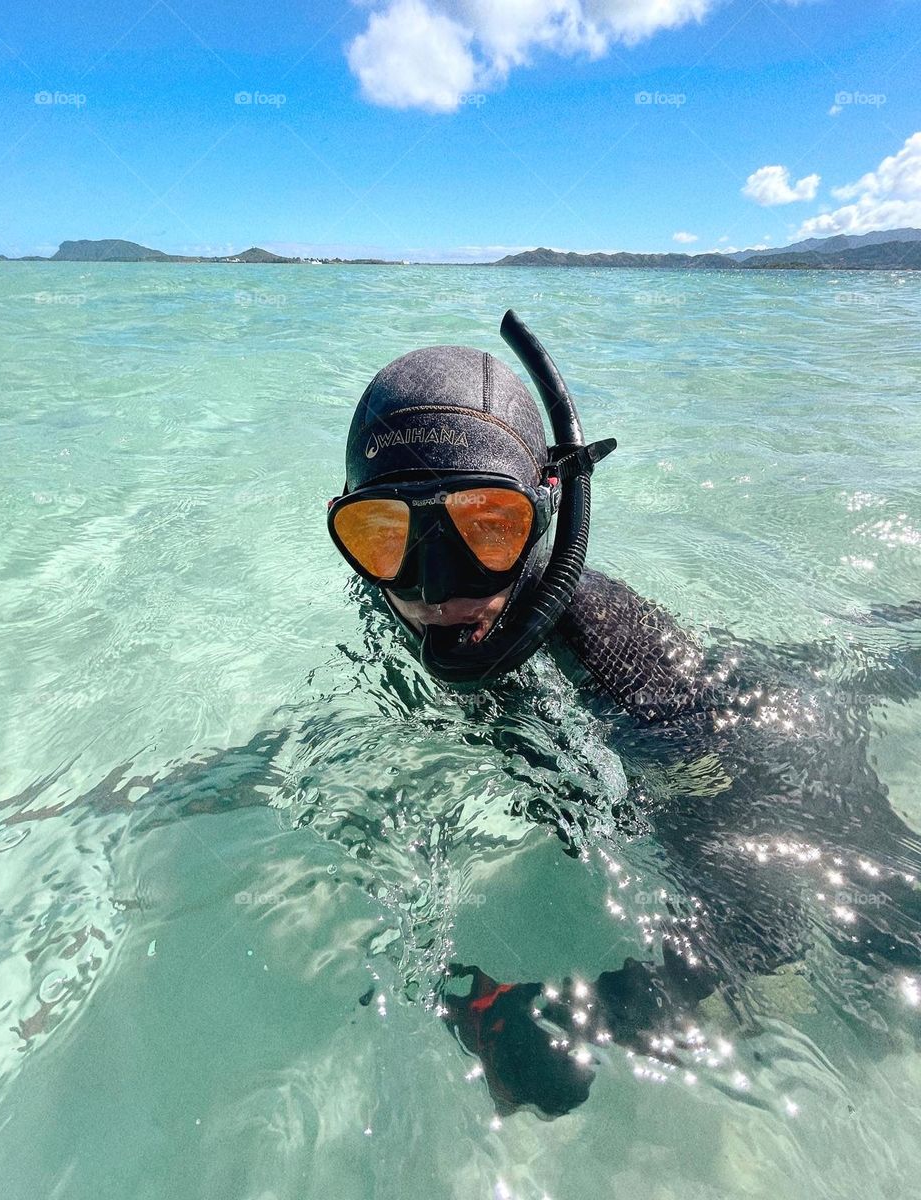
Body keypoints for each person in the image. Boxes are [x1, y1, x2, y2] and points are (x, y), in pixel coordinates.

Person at [326, 311, 921, 1119]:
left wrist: (560, 1015)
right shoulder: (399, 601)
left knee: (890, 960)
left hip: (774, 750)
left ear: (549, 506)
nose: (434, 588)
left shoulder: (615, 664)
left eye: (488, 528)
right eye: (383, 531)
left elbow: (764, 922)